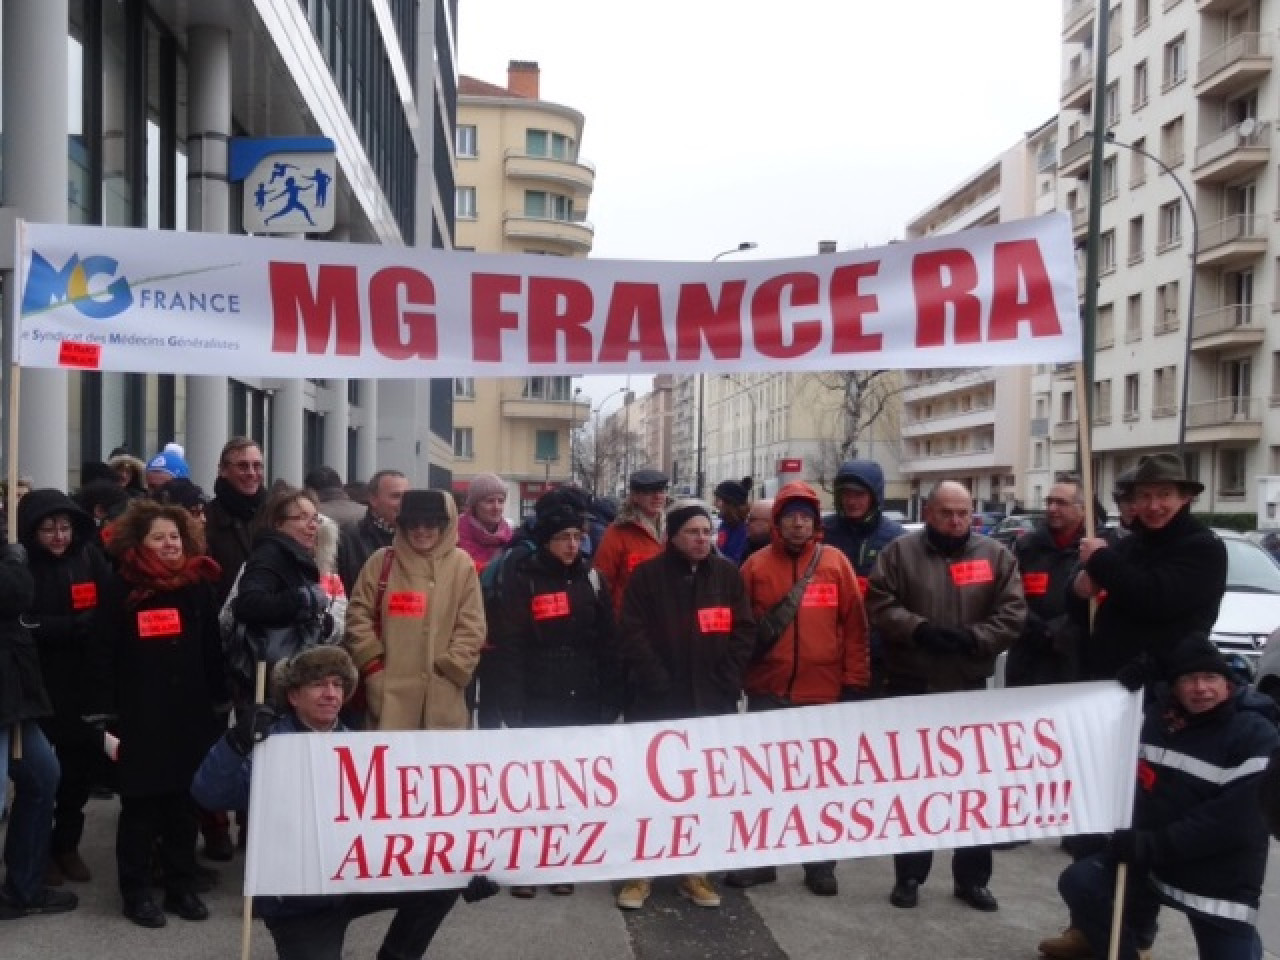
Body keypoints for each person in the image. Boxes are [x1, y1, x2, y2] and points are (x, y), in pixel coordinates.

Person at [191, 646, 462, 960]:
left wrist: (462, 866)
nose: (330, 693)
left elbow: (401, 817)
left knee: (445, 880)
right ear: (294, 696)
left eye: (337, 684)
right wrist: (235, 743)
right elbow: (208, 794)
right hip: (299, 901)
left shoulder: (358, 747)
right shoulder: (270, 749)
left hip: (356, 881)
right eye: (319, 684)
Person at [1041, 637, 1279, 960]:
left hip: (1218, 878)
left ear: (1229, 683)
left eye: (1211, 678)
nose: (1201, 689)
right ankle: (1129, 952)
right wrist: (1122, 686)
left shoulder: (1255, 734)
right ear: (1174, 688)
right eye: (1189, 680)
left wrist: (1147, 845)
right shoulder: (1155, 718)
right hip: (1152, 865)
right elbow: (1099, 728)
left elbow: (1232, 824)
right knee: (1081, 882)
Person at [866, 480, 1026, 913]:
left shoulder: (996, 556)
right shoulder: (900, 553)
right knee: (916, 787)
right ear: (930, 512)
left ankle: (972, 880)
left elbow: (1013, 613)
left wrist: (975, 638)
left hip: (969, 686)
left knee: (973, 791)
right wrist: (918, 628)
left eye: (963, 513)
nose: (955, 522)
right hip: (913, 684)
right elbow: (879, 601)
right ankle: (910, 876)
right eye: (946, 513)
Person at [614, 499, 755, 912]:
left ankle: (695, 872)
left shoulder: (727, 576)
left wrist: (727, 678)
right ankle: (641, 872)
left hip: (711, 701)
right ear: (672, 537)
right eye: (692, 532)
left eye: (707, 532)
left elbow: (744, 630)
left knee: (702, 790)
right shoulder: (648, 577)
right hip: (657, 701)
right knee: (650, 790)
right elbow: (632, 632)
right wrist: (655, 679)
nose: (701, 539)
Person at [730, 482, 870, 896]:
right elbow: (741, 632)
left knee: (820, 787)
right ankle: (761, 862)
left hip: (822, 693)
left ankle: (820, 865)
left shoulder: (836, 563)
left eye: (805, 517)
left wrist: (855, 681)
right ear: (777, 522)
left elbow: (855, 629)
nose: (797, 524)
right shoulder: (755, 567)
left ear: (815, 523)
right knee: (764, 784)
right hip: (768, 691)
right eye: (790, 516)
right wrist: (740, 678)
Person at [97, 500, 227, 927]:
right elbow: (105, 653)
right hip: (139, 715)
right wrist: (106, 717)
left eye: (174, 536)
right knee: (140, 809)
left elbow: (211, 649)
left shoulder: (197, 583)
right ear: (140, 542)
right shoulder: (120, 587)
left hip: (188, 713)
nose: (170, 544)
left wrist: (219, 700)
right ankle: (136, 894)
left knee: (182, 808)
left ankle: (180, 888)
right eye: (159, 537)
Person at [489, 500, 622, 898]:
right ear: (545, 541)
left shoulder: (591, 579)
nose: (571, 545)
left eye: (577, 537)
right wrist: (510, 698)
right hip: (537, 689)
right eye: (562, 537)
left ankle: (561, 860)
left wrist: (610, 694)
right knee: (533, 784)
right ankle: (527, 864)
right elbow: (509, 643)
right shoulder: (522, 578)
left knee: (570, 784)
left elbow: (608, 641)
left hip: (581, 690)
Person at [17, 489, 113, 886]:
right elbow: (22, 622)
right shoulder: (20, 566)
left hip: (82, 682)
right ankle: (35, 851)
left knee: (77, 770)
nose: (59, 536)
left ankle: (66, 845)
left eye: (65, 527)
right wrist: (68, 626)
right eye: (49, 528)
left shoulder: (88, 557)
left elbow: (108, 600)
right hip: (37, 682)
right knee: (41, 774)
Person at [1072, 454, 1226, 682]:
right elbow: (1081, 605)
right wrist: (1078, 589)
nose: (1153, 506)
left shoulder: (1203, 547)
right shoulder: (1131, 544)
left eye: (1164, 495)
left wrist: (1100, 559)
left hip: (1165, 684)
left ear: (1185, 498)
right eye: (1145, 496)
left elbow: (1154, 597)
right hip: (1111, 682)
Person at [344, 490, 484, 732]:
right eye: (413, 523)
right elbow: (358, 617)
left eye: (430, 523)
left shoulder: (462, 566)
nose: (421, 531)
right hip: (390, 698)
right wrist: (374, 669)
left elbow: (472, 625)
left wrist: (450, 669)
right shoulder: (382, 562)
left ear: (443, 525)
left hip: (443, 698)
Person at [0, 541, 78, 919]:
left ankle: (23, 887)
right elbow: (14, 593)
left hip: (12, 692)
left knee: (43, 776)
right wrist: (14, 562)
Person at [226, 486, 343, 703]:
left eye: (315, 518)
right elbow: (248, 603)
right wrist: (302, 600)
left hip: (288, 671)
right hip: (270, 676)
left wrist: (323, 622)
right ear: (279, 524)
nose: (312, 526)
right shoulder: (269, 556)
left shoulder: (296, 558)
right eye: (301, 518)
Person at [821, 459, 906, 693]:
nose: (851, 501)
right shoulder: (822, 532)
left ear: (874, 496)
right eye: (845, 494)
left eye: (859, 494)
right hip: (830, 647)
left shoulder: (896, 538)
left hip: (879, 650)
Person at [1006, 476, 1087, 688]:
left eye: (1061, 503)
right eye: (1049, 502)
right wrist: (1036, 627)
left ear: (1082, 509)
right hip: (1028, 656)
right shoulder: (1026, 547)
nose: (1052, 508)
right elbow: (1009, 595)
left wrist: (1058, 630)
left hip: (1073, 659)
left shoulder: (1093, 550)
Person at [593, 468, 668, 611]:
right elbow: (603, 583)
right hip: (629, 623)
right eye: (650, 491)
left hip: (667, 621)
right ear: (634, 496)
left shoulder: (676, 529)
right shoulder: (617, 533)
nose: (658, 496)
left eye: (662, 490)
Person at [205, 437, 269, 606]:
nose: (252, 473)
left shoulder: (275, 516)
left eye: (257, 465)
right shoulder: (205, 520)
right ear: (223, 471)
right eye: (242, 466)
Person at [336, 469, 408, 595]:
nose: (403, 503)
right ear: (373, 500)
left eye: (407, 496)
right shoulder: (348, 538)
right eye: (396, 496)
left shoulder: (417, 538)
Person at [455, 473, 512, 571]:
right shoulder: (454, 536)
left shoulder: (510, 537)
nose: (496, 507)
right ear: (475, 504)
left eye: (501, 501)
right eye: (490, 501)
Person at [712, 478, 751, 564]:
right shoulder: (725, 524)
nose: (714, 504)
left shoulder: (744, 528)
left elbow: (733, 561)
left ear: (729, 503)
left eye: (718, 500)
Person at [1103, 467, 1139, 546]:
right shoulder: (1104, 542)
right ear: (1118, 504)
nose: (1133, 507)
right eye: (1128, 500)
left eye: (1138, 501)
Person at [742, 497, 774, 562]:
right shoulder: (748, 547)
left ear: (771, 522)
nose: (746, 523)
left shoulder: (783, 554)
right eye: (747, 518)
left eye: (752, 519)